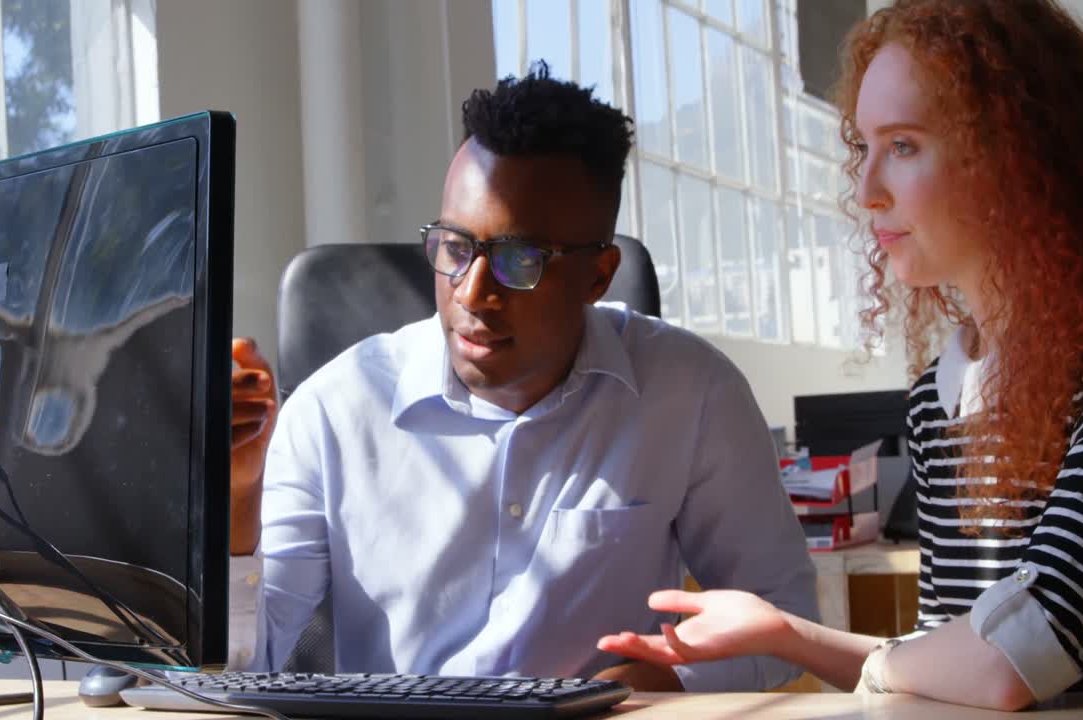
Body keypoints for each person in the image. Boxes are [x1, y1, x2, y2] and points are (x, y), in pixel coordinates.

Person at [597, 0, 1083, 710]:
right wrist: (782, 633)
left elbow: (1010, 660)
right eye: (865, 148)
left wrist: (891, 662)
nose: (865, 192)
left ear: (1017, 159)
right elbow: (943, 654)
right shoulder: (937, 398)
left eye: (904, 146)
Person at [228, 63, 818, 692]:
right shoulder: (333, 409)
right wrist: (238, 499)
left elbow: (783, 619)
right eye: (455, 248)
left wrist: (663, 683)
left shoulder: (691, 393)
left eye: (519, 260)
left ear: (598, 275)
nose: (473, 294)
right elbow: (246, 661)